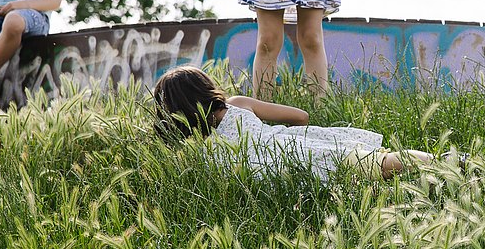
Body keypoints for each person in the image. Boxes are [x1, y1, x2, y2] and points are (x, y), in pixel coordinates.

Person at [152, 65, 439, 181]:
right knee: (382, 163)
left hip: (279, 178)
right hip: (298, 150)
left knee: (360, 183)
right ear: (206, 88)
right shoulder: (237, 105)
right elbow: (300, 116)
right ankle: (445, 163)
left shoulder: (195, 153)